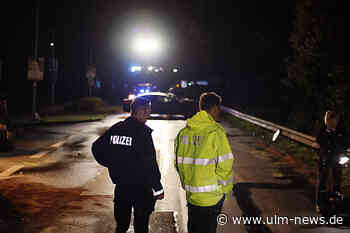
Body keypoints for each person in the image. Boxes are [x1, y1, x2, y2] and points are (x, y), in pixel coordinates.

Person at [91, 97, 164, 233]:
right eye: (148, 110)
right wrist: (158, 188)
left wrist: (111, 163)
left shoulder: (117, 129)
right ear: (140, 111)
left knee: (121, 226)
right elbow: (150, 164)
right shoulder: (143, 133)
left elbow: (96, 148)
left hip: (122, 188)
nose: (149, 114)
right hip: (141, 189)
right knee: (141, 227)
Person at [174, 92, 234, 233]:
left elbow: (178, 163)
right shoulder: (216, 132)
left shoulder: (184, 133)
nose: (219, 112)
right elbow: (225, 165)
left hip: (192, 197)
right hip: (212, 198)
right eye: (219, 108)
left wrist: (188, 185)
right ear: (214, 108)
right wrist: (223, 189)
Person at [316, 109, 347, 210]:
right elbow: (319, 140)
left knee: (337, 178)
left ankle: (337, 199)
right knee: (322, 179)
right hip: (326, 157)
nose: (335, 122)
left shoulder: (341, 130)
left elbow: (346, 142)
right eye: (332, 119)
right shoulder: (323, 130)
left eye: (336, 120)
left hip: (337, 157)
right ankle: (319, 203)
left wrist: (344, 152)